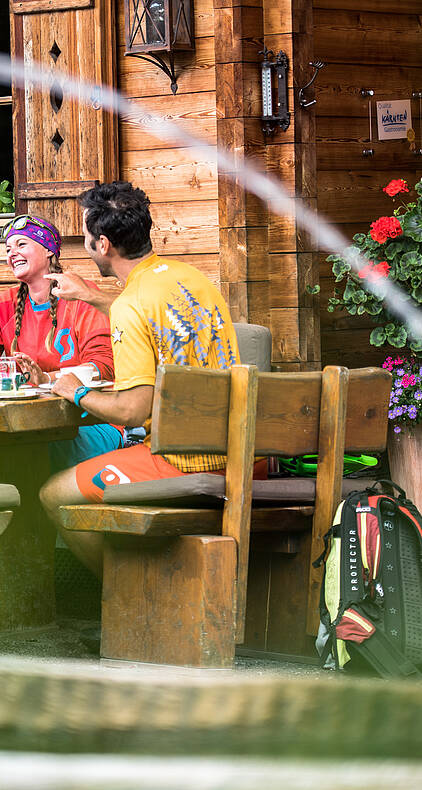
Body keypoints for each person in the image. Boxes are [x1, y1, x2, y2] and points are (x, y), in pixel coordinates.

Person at [40, 181, 263, 577]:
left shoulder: (130, 305)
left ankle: (121, 601)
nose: (86, 244)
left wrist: (76, 391)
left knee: (54, 493)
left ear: (104, 245)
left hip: (189, 462)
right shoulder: (193, 280)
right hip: (246, 453)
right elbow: (154, 320)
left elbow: (130, 410)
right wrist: (92, 295)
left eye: (87, 237)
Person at [0, 214, 124, 467]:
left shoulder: (81, 294)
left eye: (22, 245)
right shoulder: (4, 304)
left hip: (92, 421)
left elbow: (103, 368)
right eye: (8, 249)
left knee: (27, 453)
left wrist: (46, 379)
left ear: (49, 252)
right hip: (26, 424)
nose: (12, 253)